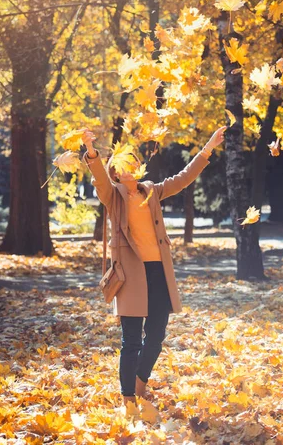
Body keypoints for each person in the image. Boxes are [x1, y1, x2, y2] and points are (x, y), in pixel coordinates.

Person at [82, 126, 227, 407]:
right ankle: (128, 399)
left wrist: (208, 147)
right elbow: (99, 180)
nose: (131, 168)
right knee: (132, 340)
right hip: (131, 276)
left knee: (157, 334)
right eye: (124, 166)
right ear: (115, 173)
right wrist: (91, 151)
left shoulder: (151, 192)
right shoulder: (113, 197)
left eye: (134, 163)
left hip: (158, 272)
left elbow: (183, 179)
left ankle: (139, 383)